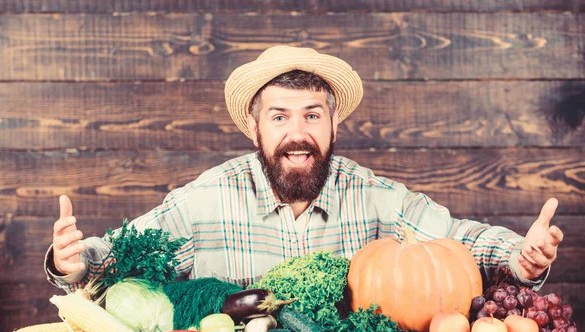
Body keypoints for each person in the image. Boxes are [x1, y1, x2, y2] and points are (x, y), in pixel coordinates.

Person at [46, 46, 563, 293]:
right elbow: (123, 249)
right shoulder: (208, 198)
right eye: (279, 117)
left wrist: (523, 256)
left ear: (334, 124)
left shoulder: (375, 196)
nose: (298, 133)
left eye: (312, 115)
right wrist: (74, 263)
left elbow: (455, 240)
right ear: (255, 129)